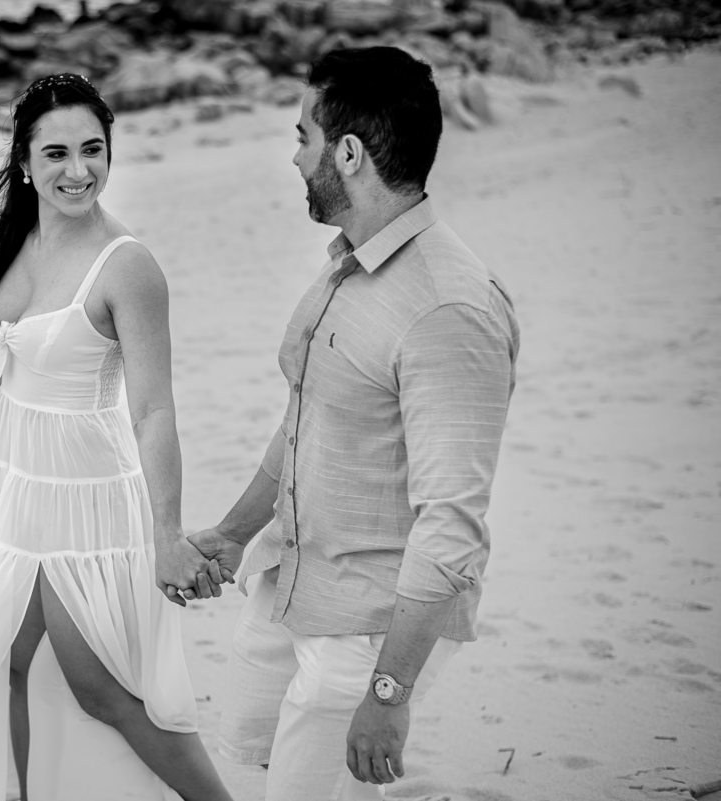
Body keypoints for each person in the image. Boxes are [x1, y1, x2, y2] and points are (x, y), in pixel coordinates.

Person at [0, 73, 234, 801]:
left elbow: (154, 409)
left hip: (82, 491)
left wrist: (166, 532)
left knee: (99, 685)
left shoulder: (128, 266)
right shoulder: (21, 239)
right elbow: (2, 366)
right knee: (7, 662)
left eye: (93, 149)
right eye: (57, 153)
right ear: (26, 162)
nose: (78, 170)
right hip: (3, 483)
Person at [189, 47, 521, 800]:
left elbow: (452, 525)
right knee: (260, 763)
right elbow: (306, 418)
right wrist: (234, 533)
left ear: (348, 153)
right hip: (296, 580)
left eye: (302, 136)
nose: (293, 156)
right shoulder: (353, 260)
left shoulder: (448, 309)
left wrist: (388, 692)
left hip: (369, 628)